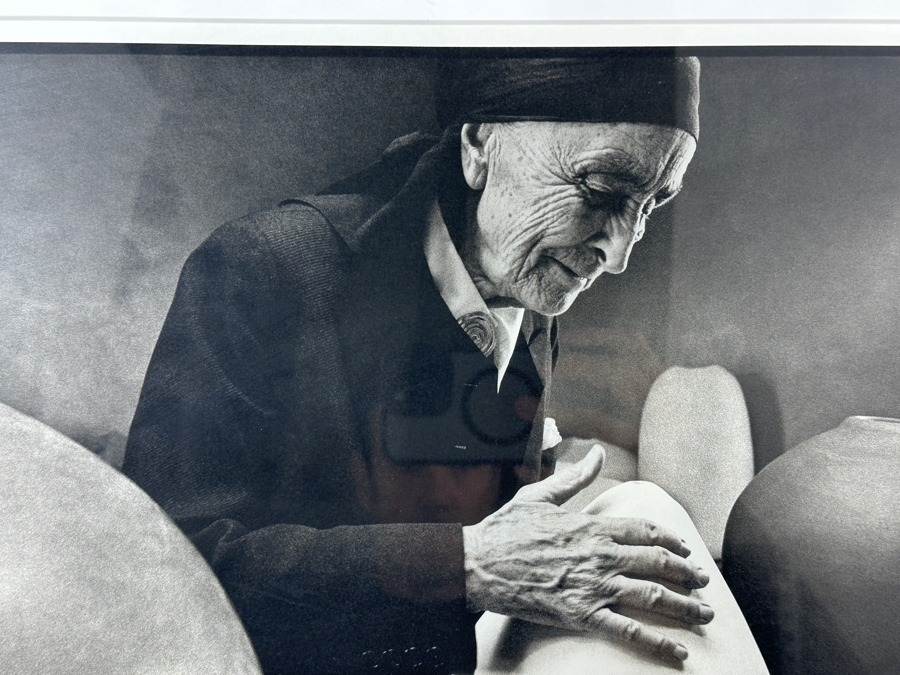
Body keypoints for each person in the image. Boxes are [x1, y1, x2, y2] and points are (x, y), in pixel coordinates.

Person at [123, 55, 712, 674]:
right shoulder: (265, 268)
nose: (617, 255)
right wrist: (464, 565)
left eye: (650, 207)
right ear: (480, 146)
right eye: (599, 191)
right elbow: (167, 561)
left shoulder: (533, 304)